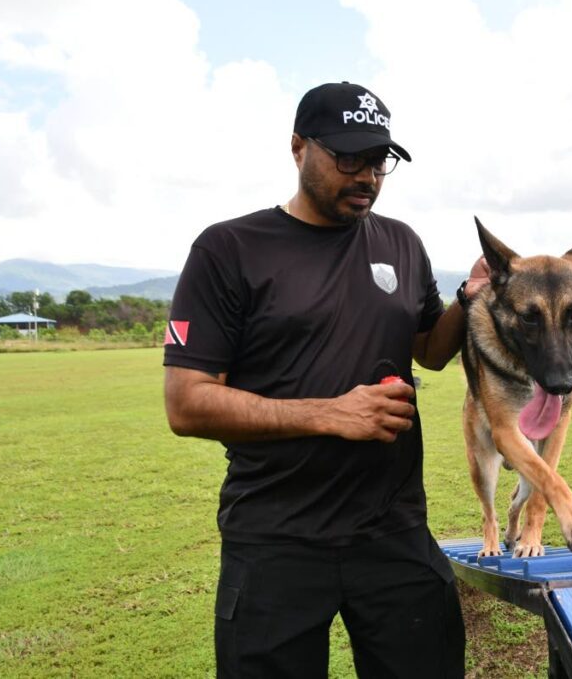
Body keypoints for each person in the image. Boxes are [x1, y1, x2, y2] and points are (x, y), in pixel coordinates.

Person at [163, 81, 485, 678]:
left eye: (378, 161)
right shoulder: (229, 249)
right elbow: (187, 404)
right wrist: (330, 413)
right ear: (297, 147)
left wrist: (470, 296)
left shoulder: (401, 242)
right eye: (347, 157)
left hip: (393, 530)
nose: (366, 175)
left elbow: (430, 351)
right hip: (275, 538)